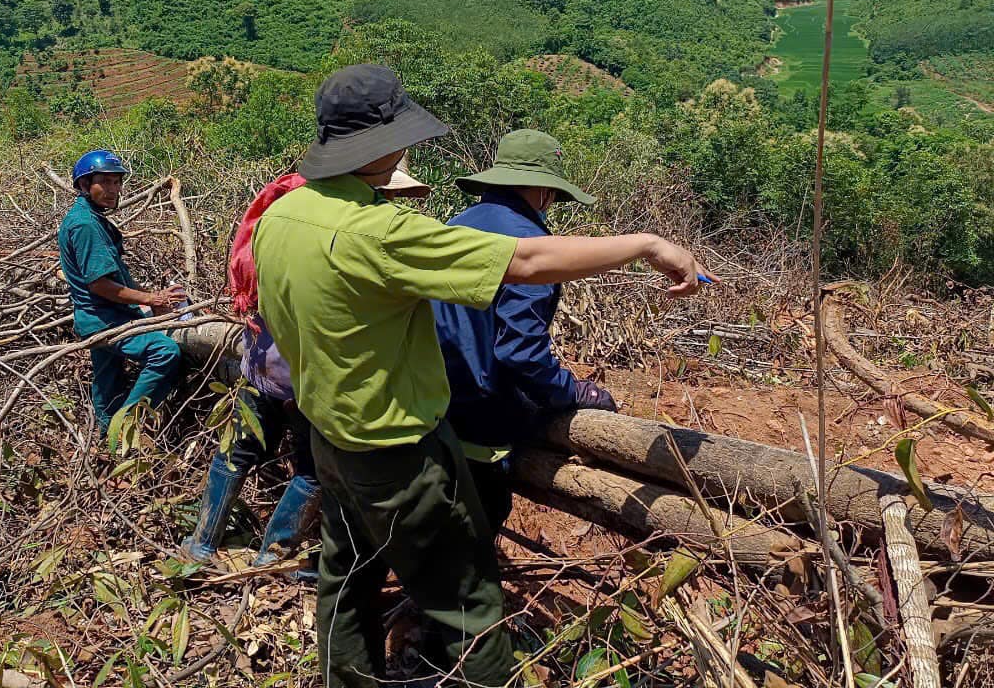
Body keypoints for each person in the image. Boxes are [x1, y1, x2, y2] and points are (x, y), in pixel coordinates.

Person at [252, 64, 714, 688]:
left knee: (348, 581)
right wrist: (646, 244)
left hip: (328, 440)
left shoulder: (286, 212)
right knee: (469, 603)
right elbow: (525, 261)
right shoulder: (375, 230)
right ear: (386, 142)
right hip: (397, 454)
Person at [183, 163, 435, 570]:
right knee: (312, 469)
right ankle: (272, 555)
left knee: (236, 452)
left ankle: (201, 543)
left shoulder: (283, 218)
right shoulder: (357, 235)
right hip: (311, 381)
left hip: (262, 366)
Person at [432, 129, 619, 536]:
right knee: (475, 526)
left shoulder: (454, 225)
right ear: (543, 191)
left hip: (427, 398)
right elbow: (519, 352)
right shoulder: (532, 248)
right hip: (477, 412)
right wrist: (572, 392)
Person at [57, 149, 187, 433]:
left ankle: (105, 436)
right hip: (105, 319)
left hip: (99, 316)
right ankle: (126, 427)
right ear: (84, 185)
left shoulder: (89, 217)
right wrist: (151, 299)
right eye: (105, 182)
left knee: (109, 380)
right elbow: (99, 284)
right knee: (165, 352)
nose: (113, 190)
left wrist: (152, 293)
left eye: (117, 182)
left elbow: (114, 275)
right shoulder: (85, 225)